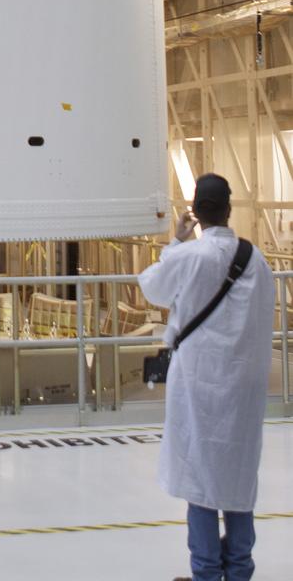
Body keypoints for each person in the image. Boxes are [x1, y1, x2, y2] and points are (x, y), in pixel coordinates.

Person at [138, 173, 275, 581]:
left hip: (198, 382)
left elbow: (153, 288)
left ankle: (206, 572)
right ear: (230, 211)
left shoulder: (190, 256)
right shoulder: (258, 261)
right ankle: (238, 570)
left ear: (195, 213)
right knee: (237, 476)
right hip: (244, 386)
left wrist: (177, 241)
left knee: (200, 477)